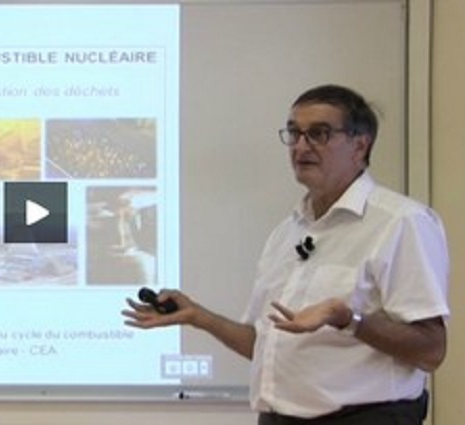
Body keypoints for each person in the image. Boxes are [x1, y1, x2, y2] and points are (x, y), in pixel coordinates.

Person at [122, 84, 450, 424]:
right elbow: (265, 344)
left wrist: (348, 320)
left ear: (360, 145)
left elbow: (431, 350)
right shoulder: (288, 232)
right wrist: (199, 317)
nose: (301, 146)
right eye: (294, 133)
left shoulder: (401, 222)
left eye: (319, 134)